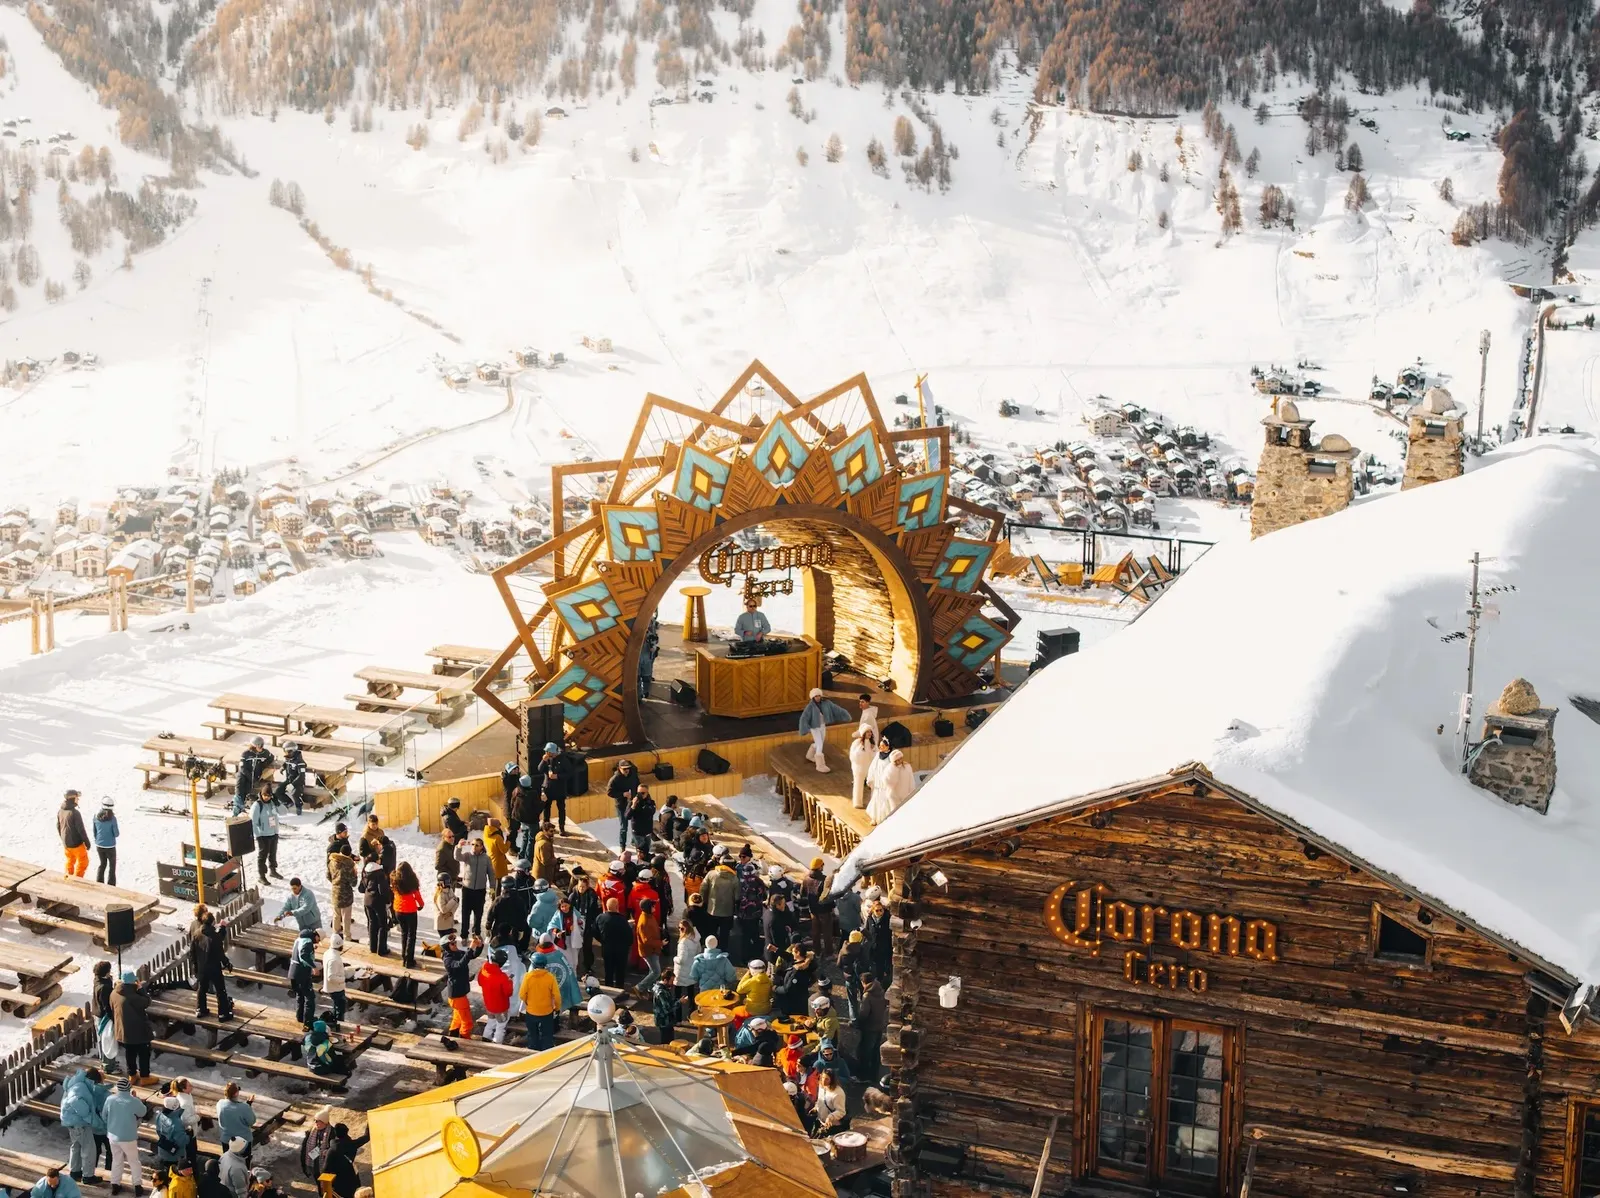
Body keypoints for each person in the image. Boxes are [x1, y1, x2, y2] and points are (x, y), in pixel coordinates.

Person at [60, 1064, 108, 1183]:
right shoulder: (81, 1087)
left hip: (71, 1121)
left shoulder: (77, 1083)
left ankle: (75, 1171)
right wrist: (87, 1114)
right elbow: (74, 1101)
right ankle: (88, 1176)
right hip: (79, 1123)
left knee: (76, 1146)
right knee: (89, 1149)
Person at [101, 1076, 146, 1193]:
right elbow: (143, 1112)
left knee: (117, 1160)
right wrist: (136, 1098)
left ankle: (115, 1184)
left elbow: (104, 1116)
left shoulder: (110, 1099)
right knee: (134, 1161)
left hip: (113, 1136)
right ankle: (137, 1185)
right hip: (128, 1137)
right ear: (129, 1088)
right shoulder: (133, 1101)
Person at [190, 909, 233, 1020]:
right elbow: (220, 953)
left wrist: (195, 966)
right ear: (212, 922)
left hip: (202, 967)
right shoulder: (214, 936)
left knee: (202, 989)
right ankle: (223, 1013)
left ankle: (200, 1009)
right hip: (214, 967)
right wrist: (227, 963)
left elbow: (192, 953)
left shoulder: (197, 934)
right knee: (220, 990)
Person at [440, 931, 484, 1040]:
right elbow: (460, 964)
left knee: (458, 1019)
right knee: (467, 1022)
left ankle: (453, 1036)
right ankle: (465, 1040)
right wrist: (470, 948)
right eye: (452, 944)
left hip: (459, 993)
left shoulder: (457, 952)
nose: (455, 944)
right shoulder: (448, 959)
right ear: (447, 947)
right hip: (457, 995)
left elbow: (471, 955)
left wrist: (479, 946)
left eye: (455, 942)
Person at [111, 971, 153, 1083]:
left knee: (130, 1053)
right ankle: (145, 1077)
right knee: (144, 1053)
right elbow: (147, 1001)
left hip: (123, 1030)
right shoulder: (133, 996)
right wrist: (141, 989)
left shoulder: (114, 993)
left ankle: (132, 1075)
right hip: (138, 1030)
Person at [530, 933, 582, 1020]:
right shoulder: (559, 955)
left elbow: (530, 975)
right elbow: (569, 972)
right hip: (557, 992)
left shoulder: (536, 958)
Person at [797, 689, 850, 774]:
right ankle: (820, 765)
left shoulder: (826, 703)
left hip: (822, 726)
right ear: (813, 697)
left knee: (820, 742)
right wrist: (804, 728)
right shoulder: (810, 707)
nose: (818, 697)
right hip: (814, 727)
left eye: (819, 696)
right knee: (820, 744)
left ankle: (810, 755)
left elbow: (836, 709)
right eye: (816, 696)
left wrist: (845, 714)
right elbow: (804, 717)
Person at [518, 956, 561, 1050]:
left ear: (533, 965)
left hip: (531, 1011)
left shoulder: (528, 977)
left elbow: (521, 994)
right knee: (547, 1035)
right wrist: (557, 1008)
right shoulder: (551, 977)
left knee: (532, 1034)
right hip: (547, 1012)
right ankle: (546, 1052)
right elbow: (557, 996)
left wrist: (528, 1003)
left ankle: (533, 1050)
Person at [867, 749, 917, 825]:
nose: (899, 761)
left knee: (905, 813)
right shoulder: (889, 768)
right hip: (894, 796)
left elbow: (911, 779)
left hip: (905, 794)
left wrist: (912, 791)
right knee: (895, 814)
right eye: (897, 760)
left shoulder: (907, 767)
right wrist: (894, 769)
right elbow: (887, 782)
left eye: (900, 758)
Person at [391, 862, 425, 969]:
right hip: (410, 910)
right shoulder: (412, 880)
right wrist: (421, 905)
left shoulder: (395, 880)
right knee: (411, 935)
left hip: (398, 910)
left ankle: (404, 956)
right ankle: (409, 960)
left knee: (404, 933)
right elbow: (417, 895)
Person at [456, 835, 491, 939]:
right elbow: (457, 857)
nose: (474, 847)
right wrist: (459, 847)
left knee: (478, 914)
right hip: (467, 889)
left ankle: (476, 933)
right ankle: (464, 935)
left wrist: (492, 887)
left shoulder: (486, 858)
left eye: (477, 845)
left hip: (480, 890)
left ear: (481, 847)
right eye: (473, 844)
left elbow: (491, 873)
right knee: (465, 914)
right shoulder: (467, 855)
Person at [476, 948, 514, 1043]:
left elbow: (480, 982)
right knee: (501, 1026)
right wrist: (509, 982)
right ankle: (496, 1044)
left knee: (490, 1022)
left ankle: (486, 1038)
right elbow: (508, 993)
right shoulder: (502, 977)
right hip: (501, 1007)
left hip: (489, 1004)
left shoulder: (484, 968)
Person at [322, 1124, 369, 1198]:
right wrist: (368, 1125)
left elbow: (325, 1169)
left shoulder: (331, 1151)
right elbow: (366, 1137)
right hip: (352, 1179)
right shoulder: (352, 1144)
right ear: (346, 1132)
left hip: (338, 1183)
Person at [593, 898, 632, 988]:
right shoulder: (622, 920)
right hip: (621, 950)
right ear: (617, 907)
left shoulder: (600, 918)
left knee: (608, 970)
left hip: (607, 948)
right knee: (620, 971)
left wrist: (602, 941)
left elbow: (595, 932)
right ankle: (619, 988)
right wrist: (627, 945)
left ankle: (609, 988)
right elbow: (629, 936)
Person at [799, 858, 833, 958]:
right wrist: (832, 907)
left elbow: (802, 893)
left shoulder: (806, 879)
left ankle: (817, 951)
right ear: (819, 867)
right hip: (824, 911)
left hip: (813, 910)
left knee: (815, 932)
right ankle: (829, 953)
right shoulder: (824, 880)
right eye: (822, 865)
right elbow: (828, 896)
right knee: (827, 933)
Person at [857, 971, 887, 1083]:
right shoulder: (881, 990)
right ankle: (874, 1075)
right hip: (879, 1025)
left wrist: (859, 1022)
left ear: (863, 982)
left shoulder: (867, 996)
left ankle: (864, 1076)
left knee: (865, 1052)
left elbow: (864, 1013)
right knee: (875, 1052)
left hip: (869, 1027)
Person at [702, 856, 737, 948]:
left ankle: (710, 950)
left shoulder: (710, 874)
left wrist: (705, 903)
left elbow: (703, 889)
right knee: (724, 935)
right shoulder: (734, 878)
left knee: (711, 934)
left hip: (711, 910)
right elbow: (737, 897)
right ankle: (723, 952)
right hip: (727, 912)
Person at [606, 760, 640, 852]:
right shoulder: (615, 779)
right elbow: (609, 792)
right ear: (619, 768)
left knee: (635, 824)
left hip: (633, 803)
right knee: (624, 827)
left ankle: (634, 842)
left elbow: (638, 785)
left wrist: (637, 797)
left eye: (628, 768)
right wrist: (622, 794)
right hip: (622, 805)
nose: (626, 770)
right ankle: (622, 846)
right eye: (624, 769)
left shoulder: (633, 775)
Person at [215, 1084, 255, 1162]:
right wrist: (248, 1105)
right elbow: (251, 1121)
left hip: (227, 1140)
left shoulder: (220, 1104)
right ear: (236, 1093)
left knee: (228, 1162)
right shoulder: (244, 1107)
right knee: (244, 1165)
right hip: (243, 1142)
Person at [359, 862, 392, 956]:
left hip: (367, 900)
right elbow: (383, 890)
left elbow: (361, 889)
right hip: (378, 902)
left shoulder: (366, 872)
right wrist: (388, 900)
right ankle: (382, 949)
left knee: (372, 923)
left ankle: (373, 947)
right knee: (383, 925)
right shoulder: (379, 873)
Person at [288, 928, 319, 1028]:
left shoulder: (299, 939)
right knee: (310, 997)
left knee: (300, 995)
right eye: (319, 939)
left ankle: (300, 1018)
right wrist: (314, 967)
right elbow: (303, 956)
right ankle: (308, 1021)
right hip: (302, 973)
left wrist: (312, 949)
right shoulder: (308, 942)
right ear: (316, 936)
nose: (318, 941)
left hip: (293, 972)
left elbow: (300, 952)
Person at [325, 845, 356, 941]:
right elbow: (354, 883)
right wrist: (355, 873)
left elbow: (328, 876)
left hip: (335, 892)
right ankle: (347, 937)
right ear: (349, 854)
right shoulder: (349, 865)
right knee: (346, 917)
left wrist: (335, 883)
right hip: (346, 894)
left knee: (336, 915)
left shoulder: (332, 861)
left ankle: (335, 935)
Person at [249, 793, 280, 885]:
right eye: (265, 795)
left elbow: (284, 812)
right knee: (262, 856)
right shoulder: (257, 805)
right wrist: (258, 836)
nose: (267, 797)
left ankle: (273, 871)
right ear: (261, 794)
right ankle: (261, 876)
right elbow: (253, 823)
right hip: (263, 835)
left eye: (269, 795)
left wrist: (278, 803)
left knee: (273, 853)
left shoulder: (272, 803)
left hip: (273, 832)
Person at [506, 774, 540, 859]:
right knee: (531, 840)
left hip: (521, 819)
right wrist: (543, 801)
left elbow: (512, 804)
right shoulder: (532, 793)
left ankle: (521, 857)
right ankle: (528, 859)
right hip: (532, 820)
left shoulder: (516, 791)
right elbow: (538, 808)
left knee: (525, 837)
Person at [154, 1095, 191, 1172]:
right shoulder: (176, 1123)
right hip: (175, 1156)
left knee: (165, 1172)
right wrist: (189, 1135)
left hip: (163, 1150)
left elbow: (158, 1131)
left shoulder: (159, 1115)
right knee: (173, 1175)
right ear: (175, 1108)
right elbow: (182, 1141)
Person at [634, 898, 663, 994]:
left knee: (652, 971)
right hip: (649, 951)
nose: (654, 907)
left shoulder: (649, 916)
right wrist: (661, 943)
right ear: (648, 908)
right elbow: (646, 941)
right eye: (652, 906)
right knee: (656, 972)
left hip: (653, 949)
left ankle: (650, 990)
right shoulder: (644, 921)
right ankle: (639, 987)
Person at [538, 744, 569, 834]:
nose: (546, 754)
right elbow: (539, 769)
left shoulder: (563, 759)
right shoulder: (546, 759)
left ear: (553, 752)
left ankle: (562, 827)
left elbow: (569, 773)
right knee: (546, 808)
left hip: (560, 788)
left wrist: (557, 776)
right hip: (548, 788)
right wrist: (543, 761)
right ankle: (546, 826)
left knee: (561, 808)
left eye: (548, 752)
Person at [59, 791, 90, 877]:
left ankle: (67, 878)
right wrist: (87, 842)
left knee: (70, 860)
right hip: (76, 844)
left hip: (66, 843)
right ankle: (77, 880)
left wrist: (63, 839)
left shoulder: (60, 811)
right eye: (77, 798)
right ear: (72, 799)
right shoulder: (75, 813)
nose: (78, 800)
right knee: (83, 861)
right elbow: (81, 830)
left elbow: (58, 826)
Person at [837, 930, 866, 1022]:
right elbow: (866, 962)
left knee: (852, 1001)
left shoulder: (843, 950)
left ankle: (854, 1020)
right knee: (864, 998)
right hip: (861, 978)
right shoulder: (862, 949)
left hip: (849, 978)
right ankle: (863, 1017)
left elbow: (838, 964)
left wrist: (846, 971)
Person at [298, 1107, 335, 1181]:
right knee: (316, 1175)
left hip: (325, 1160)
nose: (315, 1123)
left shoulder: (332, 1132)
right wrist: (304, 1166)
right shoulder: (312, 1130)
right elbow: (305, 1148)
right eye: (315, 1120)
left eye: (318, 1121)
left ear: (324, 1122)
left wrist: (328, 1150)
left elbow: (334, 1147)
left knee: (324, 1179)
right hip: (314, 1156)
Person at [864, 896, 893, 984]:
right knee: (874, 964)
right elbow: (867, 931)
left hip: (884, 946)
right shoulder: (870, 919)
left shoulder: (887, 918)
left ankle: (882, 981)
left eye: (881, 910)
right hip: (873, 946)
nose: (879, 912)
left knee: (883, 965)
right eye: (877, 910)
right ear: (873, 910)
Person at [91, 799, 120, 886]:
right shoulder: (113, 818)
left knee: (102, 864)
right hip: (110, 846)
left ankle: (99, 883)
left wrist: (97, 839)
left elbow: (94, 831)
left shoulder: (96, 816)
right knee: (112, 866)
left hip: (99, 845)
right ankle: (111, 885)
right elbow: (116, 834)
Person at [848, 726, 877, 810]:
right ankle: (857, 802)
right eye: (867, 732)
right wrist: (861, 750)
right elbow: (853, 756)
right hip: (859, 768)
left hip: (870, 767)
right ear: (863, 733)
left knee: (873, 783)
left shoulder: (872, 743)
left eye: (870, 732)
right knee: (858, 784)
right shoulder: (857, 743)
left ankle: (873, 803)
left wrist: (873, 751)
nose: (869, 733)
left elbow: (876, 755)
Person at [321, 934, 348, 1023]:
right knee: (340, 1009)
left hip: (332, 987)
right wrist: (343, 978)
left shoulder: (327, 953)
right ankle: (338, 1024)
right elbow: (331, 977)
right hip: (336, 988)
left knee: (338, 1007)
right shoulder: (334, 959)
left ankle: (336, 1023)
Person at [813, 1069, 849, 1134]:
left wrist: (830, 1117)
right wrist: (816, 1107)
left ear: (832, 1080)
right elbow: (820, 1100)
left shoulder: (838, 1093)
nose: (823, 1081)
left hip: (833, 1126)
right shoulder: (821, 1086)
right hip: (820, 1122)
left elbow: (841, 1111)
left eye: (827, 1079)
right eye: (823, 1077)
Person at [482, 817, 511, 889]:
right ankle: (497, 896)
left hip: (491, 861)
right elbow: (504, 850)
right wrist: (508, 841)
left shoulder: (486, 835)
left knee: (493, 884)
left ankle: (492, 895)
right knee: (499, 884)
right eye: (499, 824)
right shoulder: (497, 837)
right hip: (498, 863)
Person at [626, 786, 656, 854]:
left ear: (647, 793)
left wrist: (642, 804)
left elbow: (650, 812)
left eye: (642, 793)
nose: (640, 795)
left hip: (647, 832)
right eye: (638, 793)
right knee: (641, 853)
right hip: (638, 833)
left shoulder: (650, 802)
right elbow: (627, 816)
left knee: (647, 851)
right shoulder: (633, 802)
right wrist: (633, 806)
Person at [279, 747, 309, 816]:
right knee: (278, 791)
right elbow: (286, 763)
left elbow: (301, 776)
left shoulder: (300, 762)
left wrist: (292, 784)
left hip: (298, 782)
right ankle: (288, 802)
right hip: (289, 780)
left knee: (295, 793)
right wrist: (283, 767)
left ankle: (299, 806)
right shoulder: (289, 758)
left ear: (292, 751)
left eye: (287, 752)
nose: (286, 753)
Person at [637, 610, 660, 697]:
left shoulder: (650, 635)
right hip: (637, 659)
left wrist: (653, 646)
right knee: (637, 678)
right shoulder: (635, 634)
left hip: (646, 658)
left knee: (646, 677)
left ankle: (645, 692)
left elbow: (655, 641)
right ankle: (638, 695)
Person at [433, 870, 459, 944]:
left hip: (449, 922)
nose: (448, 883)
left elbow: (457, 903)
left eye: (448, 881)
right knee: (445, 944)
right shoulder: (439, 894)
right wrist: (453, 901)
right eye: (446, 882)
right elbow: (443, 909)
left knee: (451, 943)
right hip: (442, 923)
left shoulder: (450, 890)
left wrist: (451, 913)